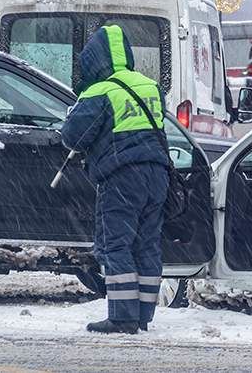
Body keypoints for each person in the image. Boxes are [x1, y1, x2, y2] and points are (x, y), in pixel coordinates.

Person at [62, 25, 170, 335]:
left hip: (123, 177)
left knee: (116, 245)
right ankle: (143, 314)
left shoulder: (100, 91)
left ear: (95, 59)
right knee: (147, 245)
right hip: (158, 174)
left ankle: (122, 317)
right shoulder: (150, 86)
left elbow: (73, 137)